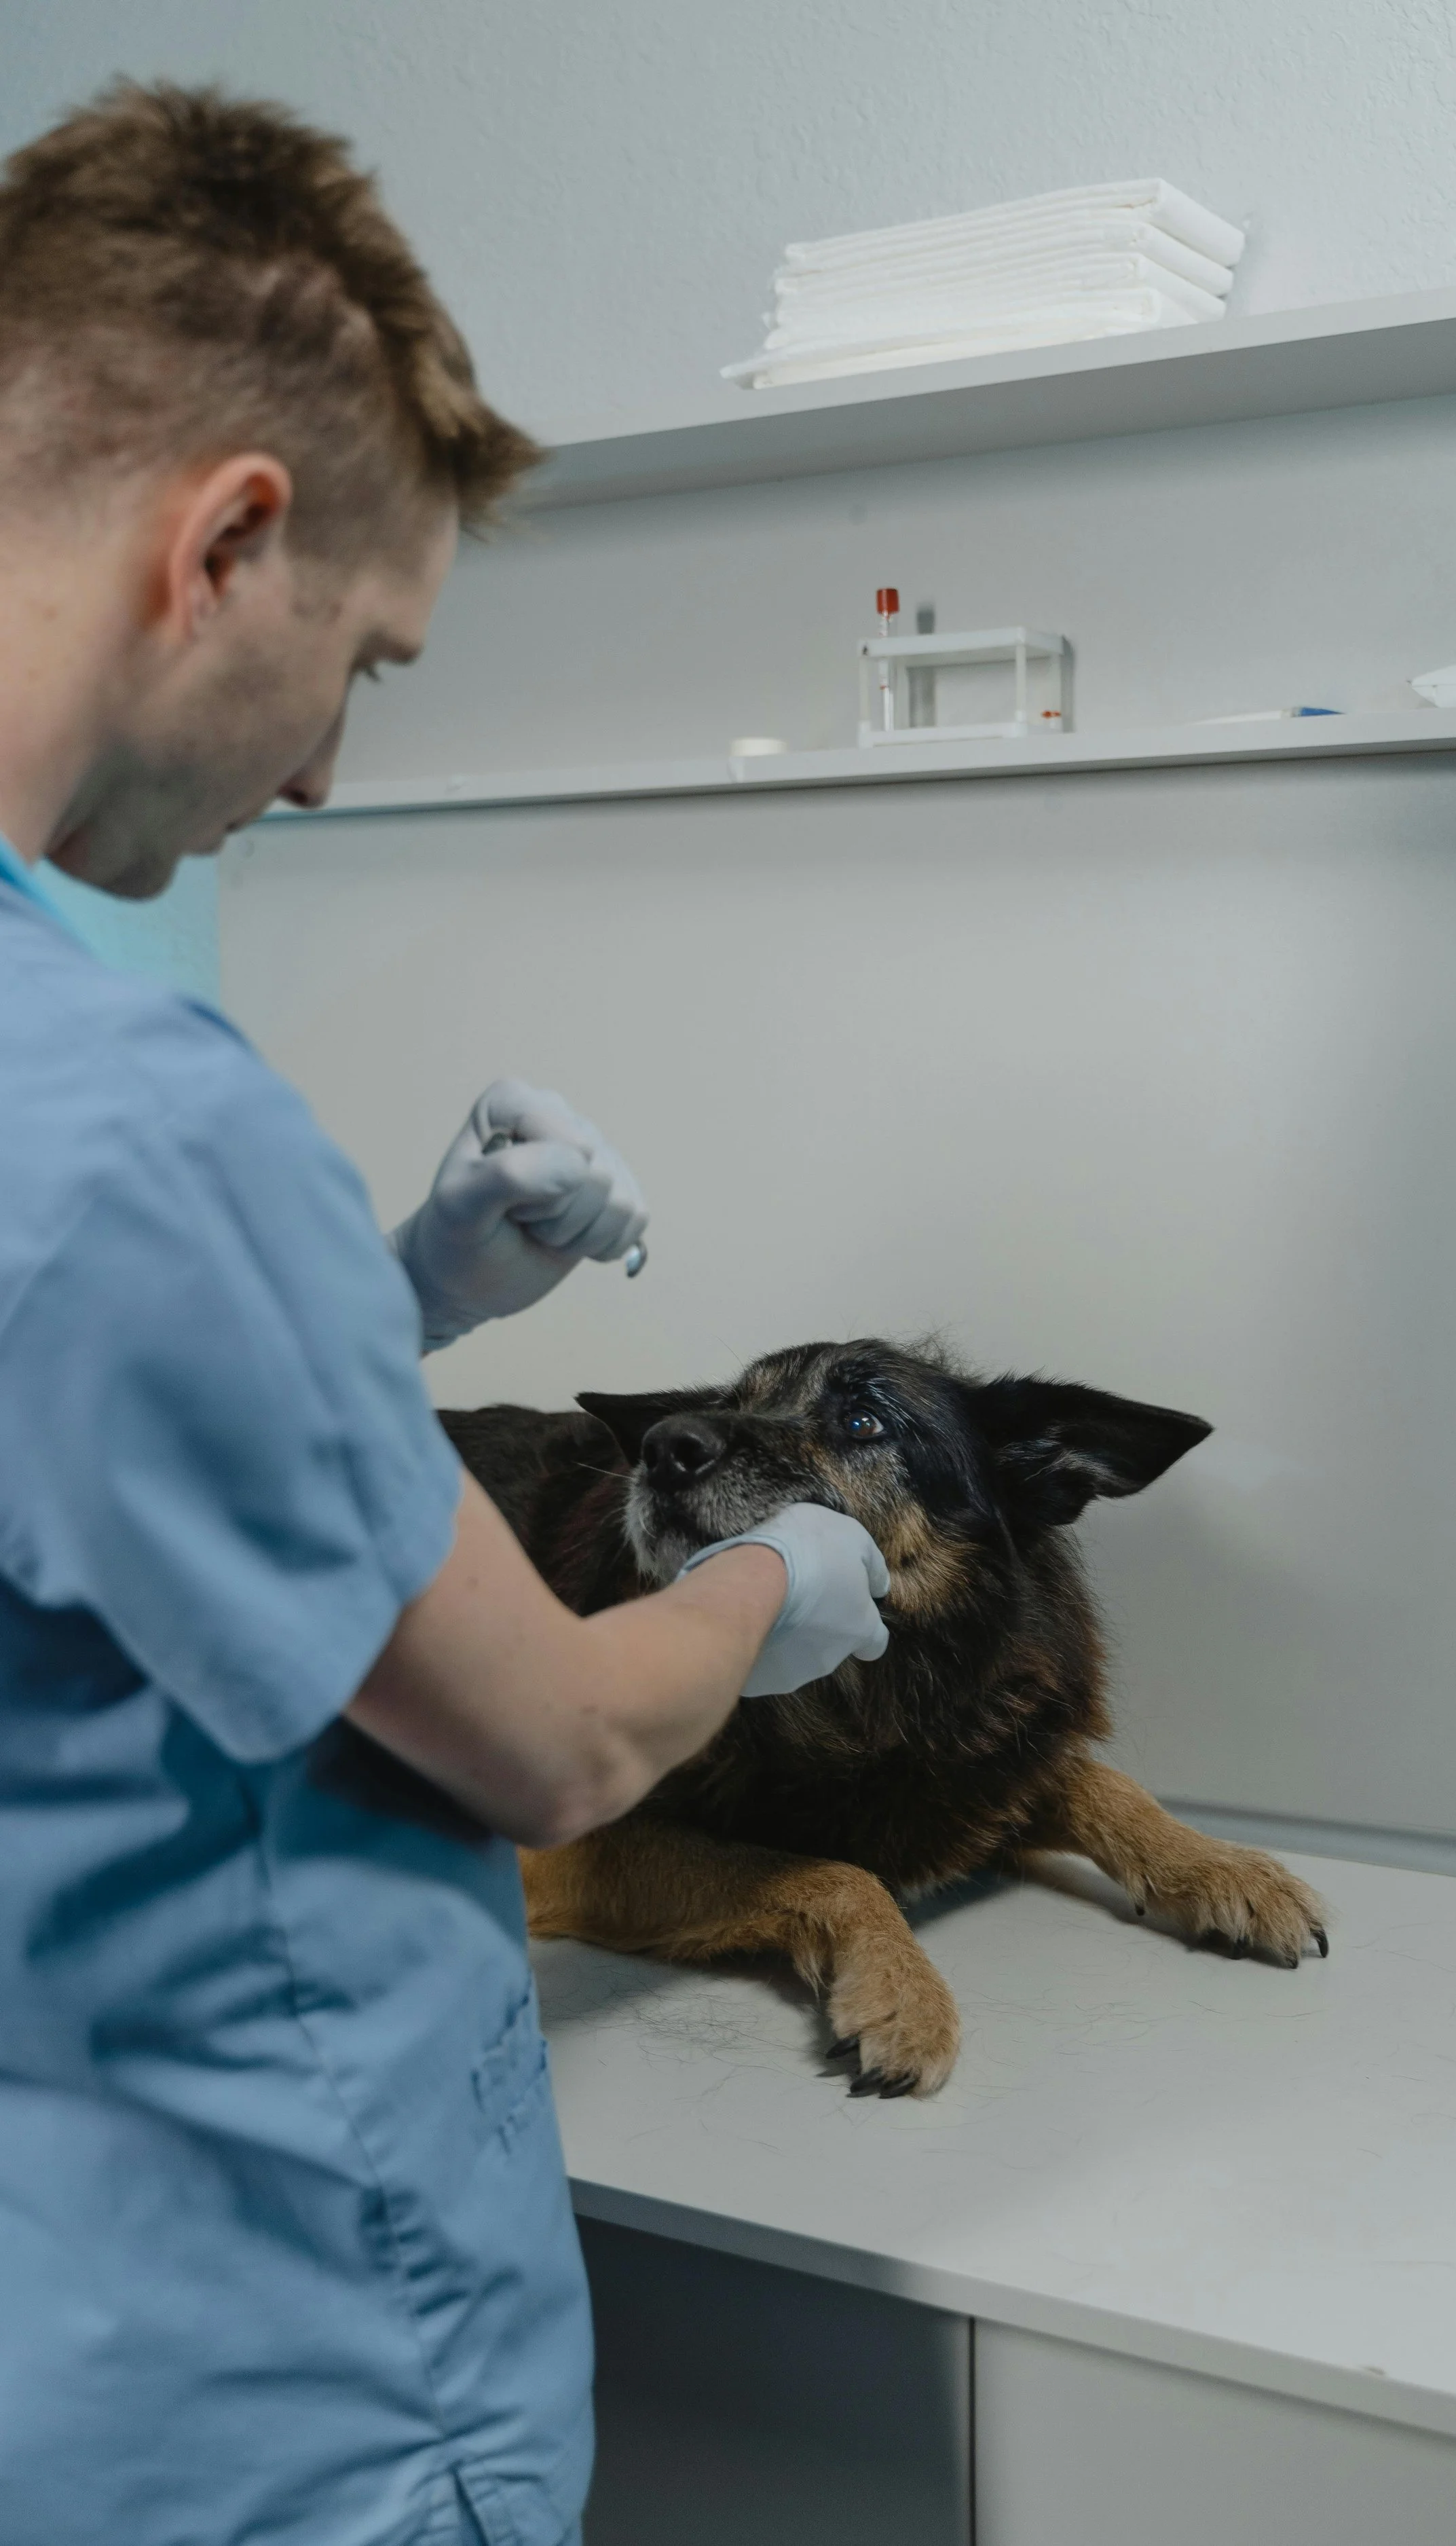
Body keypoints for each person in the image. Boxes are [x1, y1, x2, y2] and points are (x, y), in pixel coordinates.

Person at [0, 81, 891, 2546]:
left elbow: (62, 1468)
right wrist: (772, 1593)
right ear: (230, 538)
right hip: (289, 2384)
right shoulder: (139, 1126)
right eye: (366, 664)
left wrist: (393, 1297)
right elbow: (563, 1749)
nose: (313, 777)